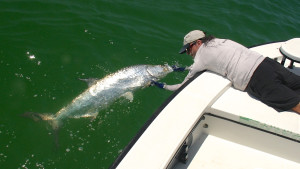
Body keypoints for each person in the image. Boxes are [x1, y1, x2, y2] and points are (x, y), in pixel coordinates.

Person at [152, 30, 300, 114]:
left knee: (293, 104)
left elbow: (180, 87)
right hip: (267, 63)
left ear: (198, 43)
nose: (189, 53)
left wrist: (159, 85)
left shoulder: (200, 58)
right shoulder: (220, 41)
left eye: (189, 49)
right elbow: (217, 60)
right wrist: (184, 68)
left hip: (256, 78)